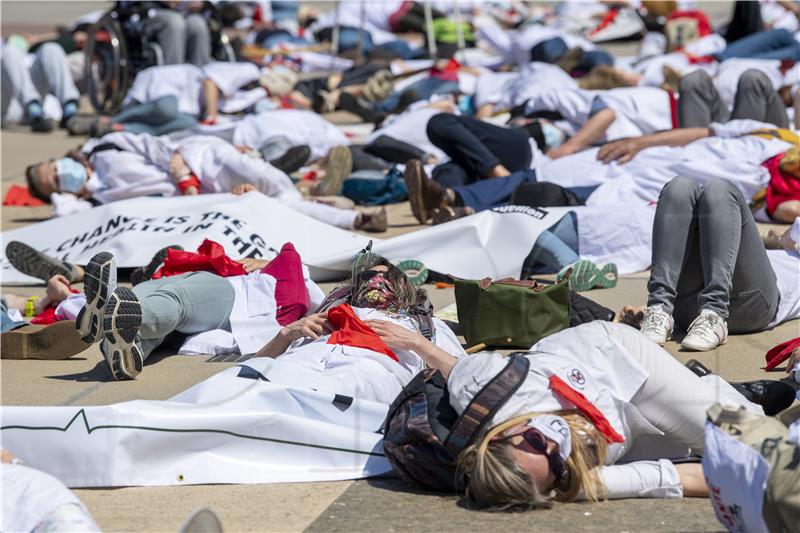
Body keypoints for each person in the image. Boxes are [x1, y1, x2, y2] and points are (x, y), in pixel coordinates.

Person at [389, 320, 791, 508]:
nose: (555, 443)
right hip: (621, 431)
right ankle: (722, 394)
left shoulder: (484, 388)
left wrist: (417, 343)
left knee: (752, 443)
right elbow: (685, 478)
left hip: (619, 364)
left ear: (498, 434)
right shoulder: (573, 479)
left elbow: (449, 364)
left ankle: (710, 398)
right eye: (556, 464)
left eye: (534, 441)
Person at [633, 177, 796, 351]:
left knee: (720, 190)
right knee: (680, 187)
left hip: (751, 304)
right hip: (687, 310)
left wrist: (785, 238)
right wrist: (778, 240)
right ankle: (659, 308)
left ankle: (714, 312)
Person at [1, 40, 79, 132]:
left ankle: (70, 110)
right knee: (8, 52)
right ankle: (32, 109)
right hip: (8, 107)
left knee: (51, 48)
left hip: (34, 99)